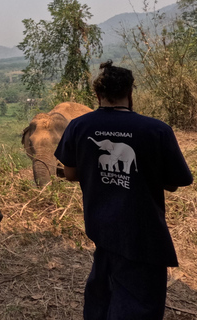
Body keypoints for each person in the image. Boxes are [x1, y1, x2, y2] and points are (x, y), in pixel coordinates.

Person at [54, 60, 193, 320]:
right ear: (130, 92)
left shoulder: (79, 126)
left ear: (97, 94)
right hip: (143, 234)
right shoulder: (157, 130)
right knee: (139, 302)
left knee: (102, 292)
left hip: (101, 228)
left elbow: (70, 173)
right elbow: (174, 183)